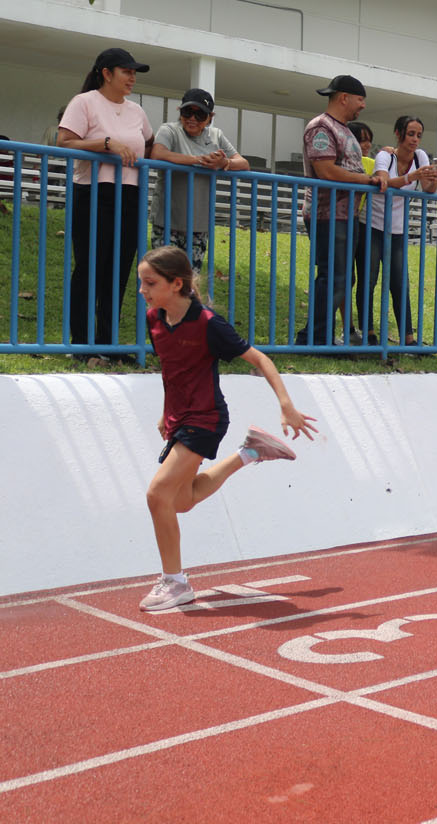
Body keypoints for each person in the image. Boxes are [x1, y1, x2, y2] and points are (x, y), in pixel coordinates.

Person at [135, 245, 318, 611]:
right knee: (181, 502)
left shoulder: (208, 324)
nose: (143, 291)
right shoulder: (155, 319)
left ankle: (175, 583)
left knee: (158, 495)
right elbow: (173, 370)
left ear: (176, 283)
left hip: (205, 419)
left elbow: (258, 358)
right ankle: (251, 451)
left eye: (150, 283)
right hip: (179, 419)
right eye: (141, 283)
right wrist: (165, 413)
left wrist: (285, 404)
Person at [57, 47, 155, 365]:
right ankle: (81, 343)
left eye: (134, 72)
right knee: (89, 266)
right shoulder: (84, 102)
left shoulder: (137, 111)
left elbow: (150, 146)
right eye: (126, 71)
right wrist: (105, 144)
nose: (132, 77)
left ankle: (107, 342)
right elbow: (64, 141)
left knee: (120, 268)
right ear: (107, 73)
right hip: (92, 192)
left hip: (130, 193)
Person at [295, 75, 385, 347]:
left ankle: (318, 336)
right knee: (332, 276)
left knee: (343, 278)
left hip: (346, 216)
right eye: (360, 99)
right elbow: (325, 170)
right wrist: (366, 180)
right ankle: (313, 338)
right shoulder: (321, 127)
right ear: (343, 97)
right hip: (327, 215)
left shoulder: (344, 130)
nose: (363, 106)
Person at [359, 115, 437, 345]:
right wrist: (409, 177)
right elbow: (383, 182)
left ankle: (408, 337)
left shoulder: (420, 156)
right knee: (369, 279)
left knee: (399, 282)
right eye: (410, 134)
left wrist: (433, 179)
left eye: (418, 135)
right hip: (372, 224)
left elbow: (429, 190)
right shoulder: (386, 156)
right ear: (398, 133)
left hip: (397, 229)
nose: (415, 140)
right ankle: (369, 333)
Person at [149, 89, 249, 270]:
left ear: (210, 117)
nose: (192, 118)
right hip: (167, 222)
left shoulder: (216, 135)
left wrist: (223, 162)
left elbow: (243, 163)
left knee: (189, 283)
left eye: (200, 114)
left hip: (199, 225)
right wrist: (200, 161)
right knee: (164, 279)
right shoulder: (169, 130)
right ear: (180, 111)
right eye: (187, 112)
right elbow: (157, 154)